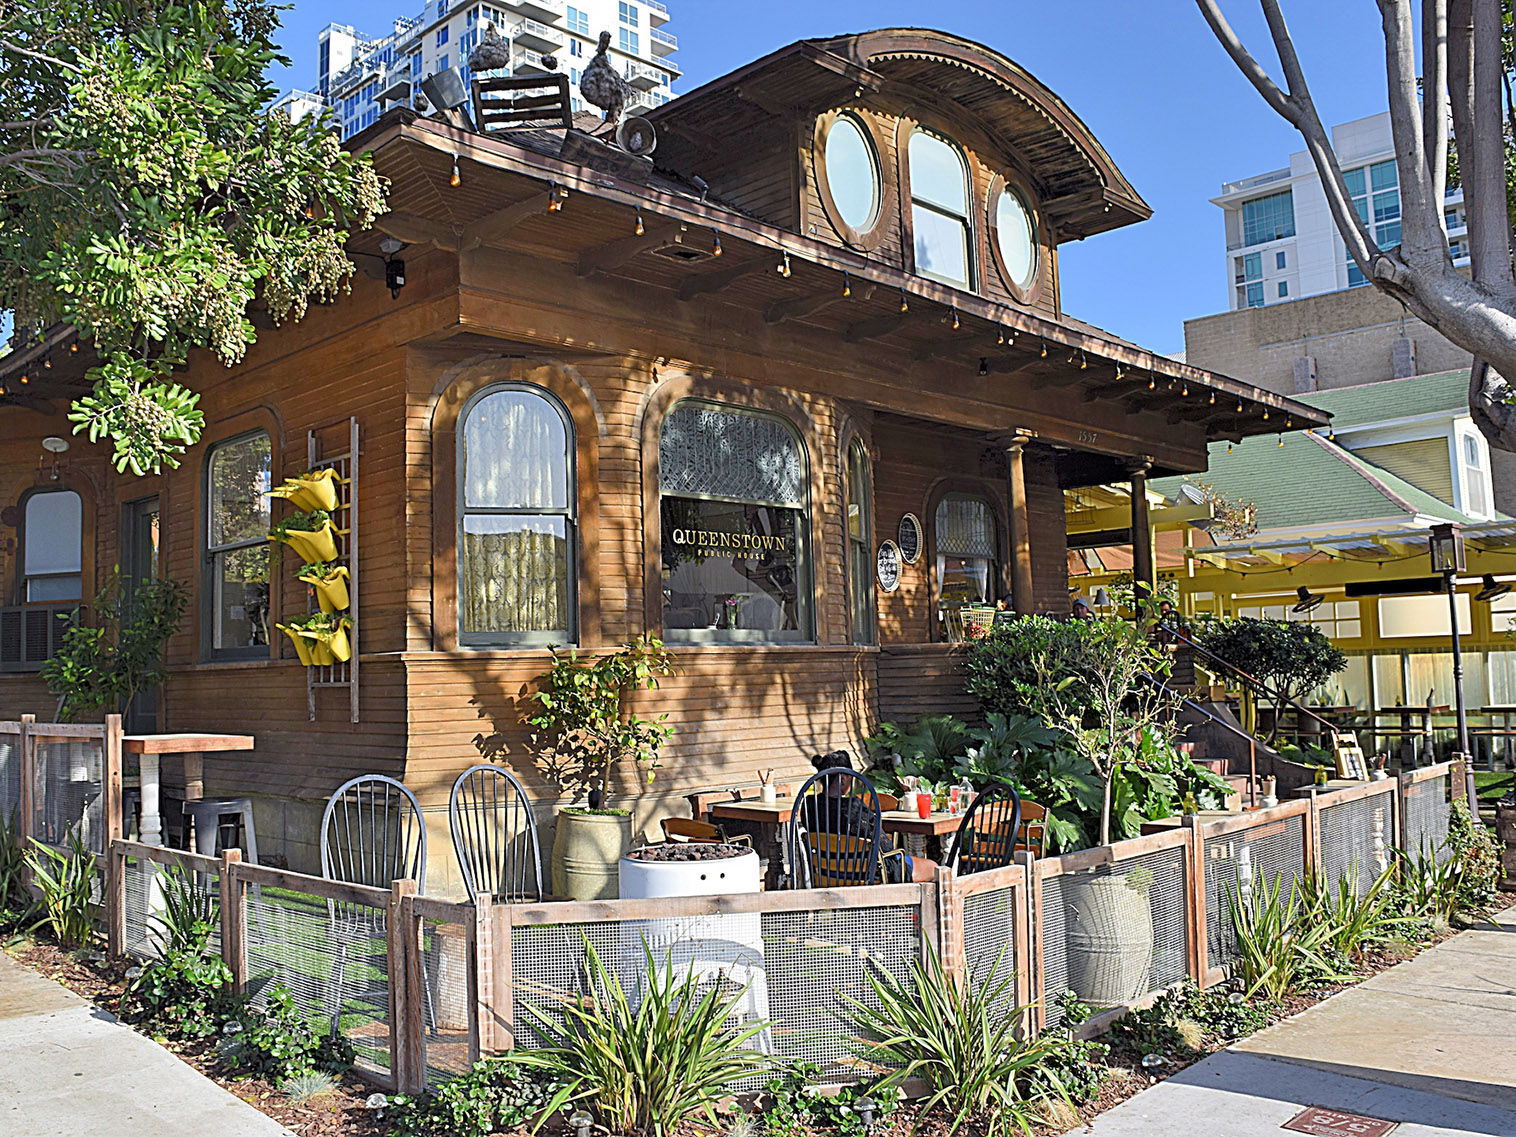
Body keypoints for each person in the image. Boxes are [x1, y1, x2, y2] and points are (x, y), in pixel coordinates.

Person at [800, 751, 939, 883]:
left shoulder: (810, 806)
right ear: (842, 779)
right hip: (863, 875)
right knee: (934, 868)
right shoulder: (853, 809)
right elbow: (886, 846)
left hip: (827, 874)